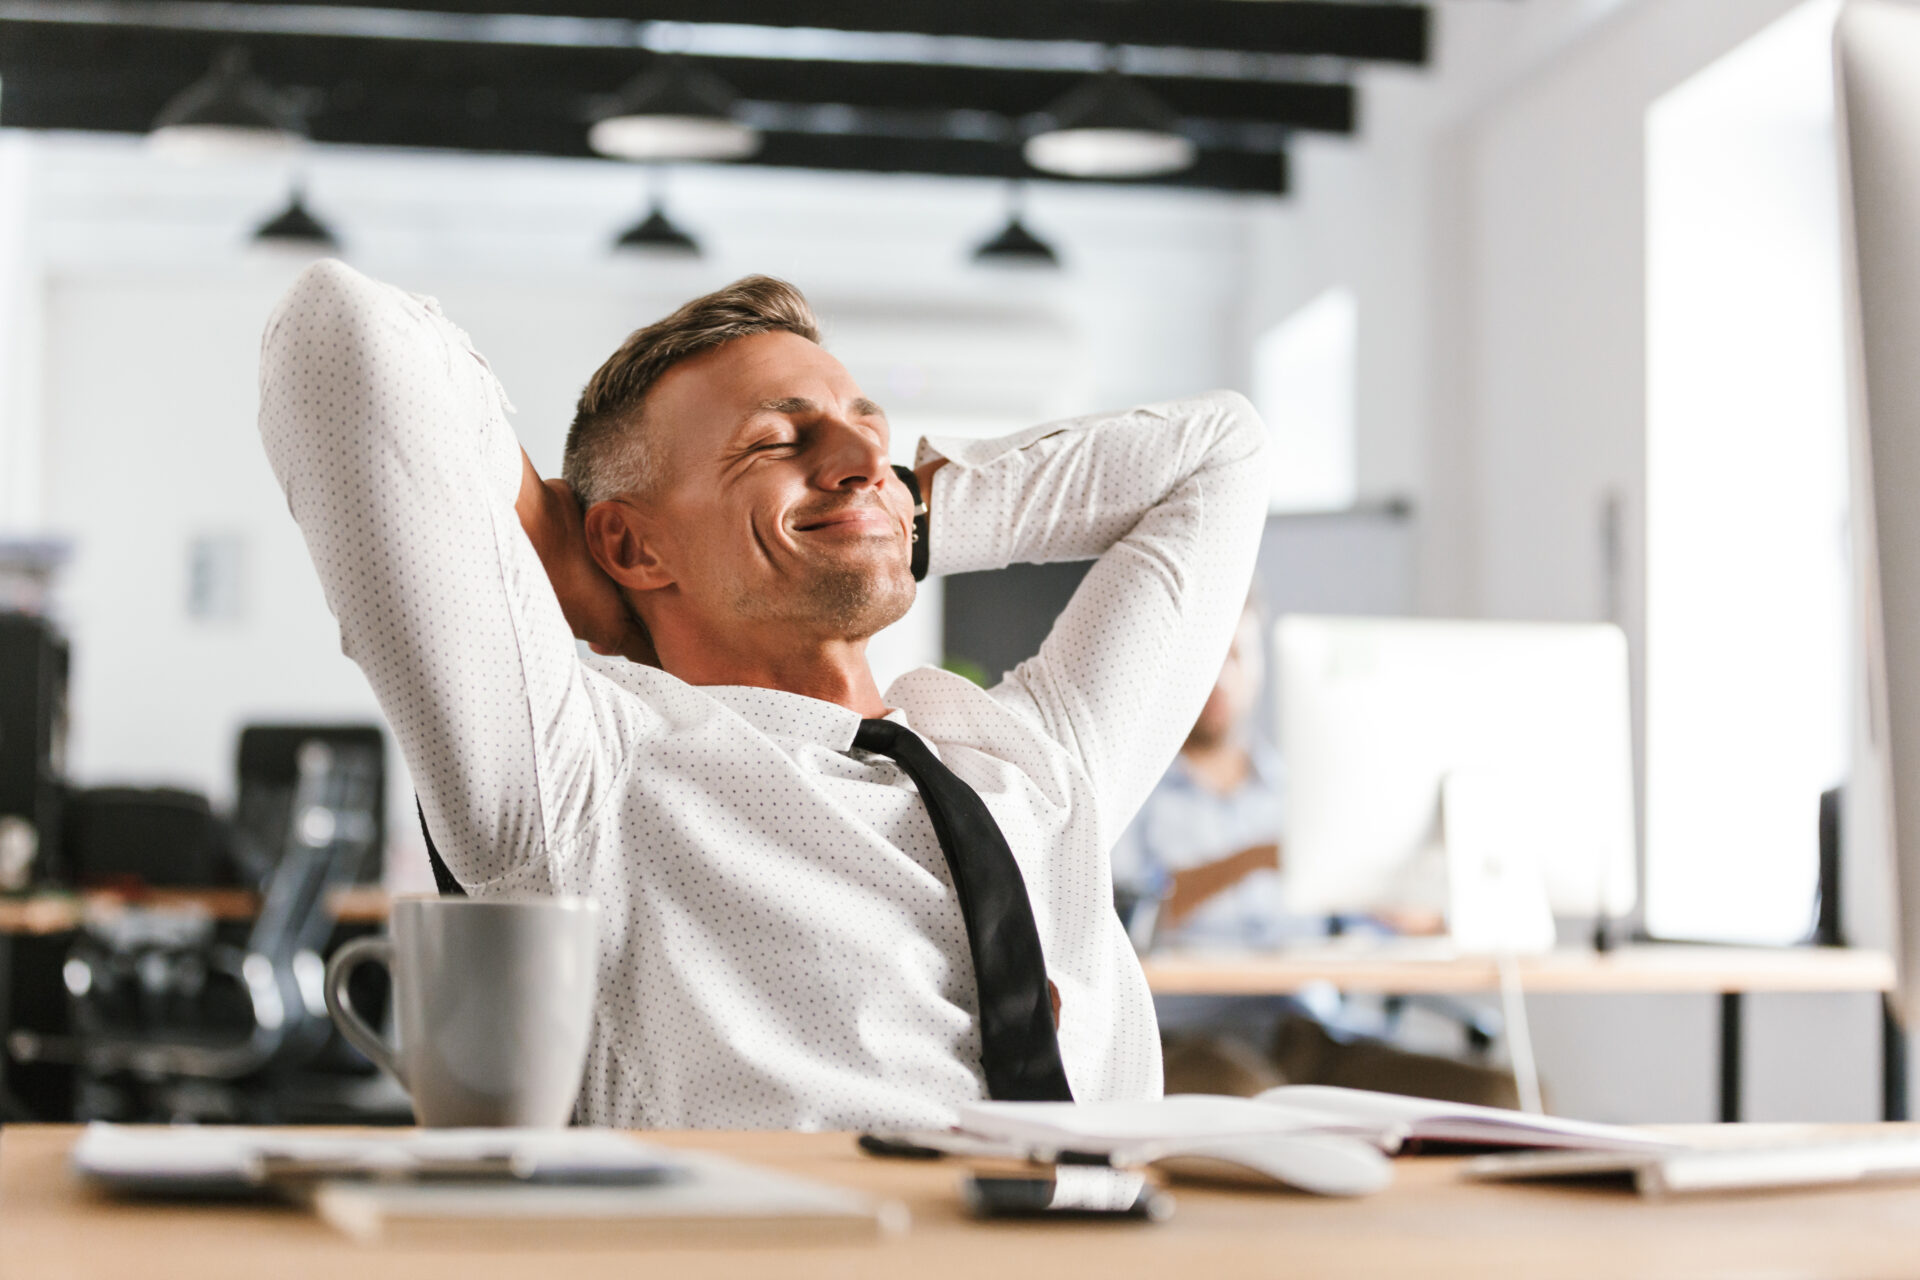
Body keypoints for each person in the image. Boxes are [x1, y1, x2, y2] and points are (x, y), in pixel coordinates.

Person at [258, 261, 1269, 1130]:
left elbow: (1222, 455)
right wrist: (566, 563)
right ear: (631, 542)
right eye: (780, 441)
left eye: (867, 427)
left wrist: (901, 513)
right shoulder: (584, 765)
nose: (865, 455)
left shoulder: (1035, 752)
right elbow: (336, 338)